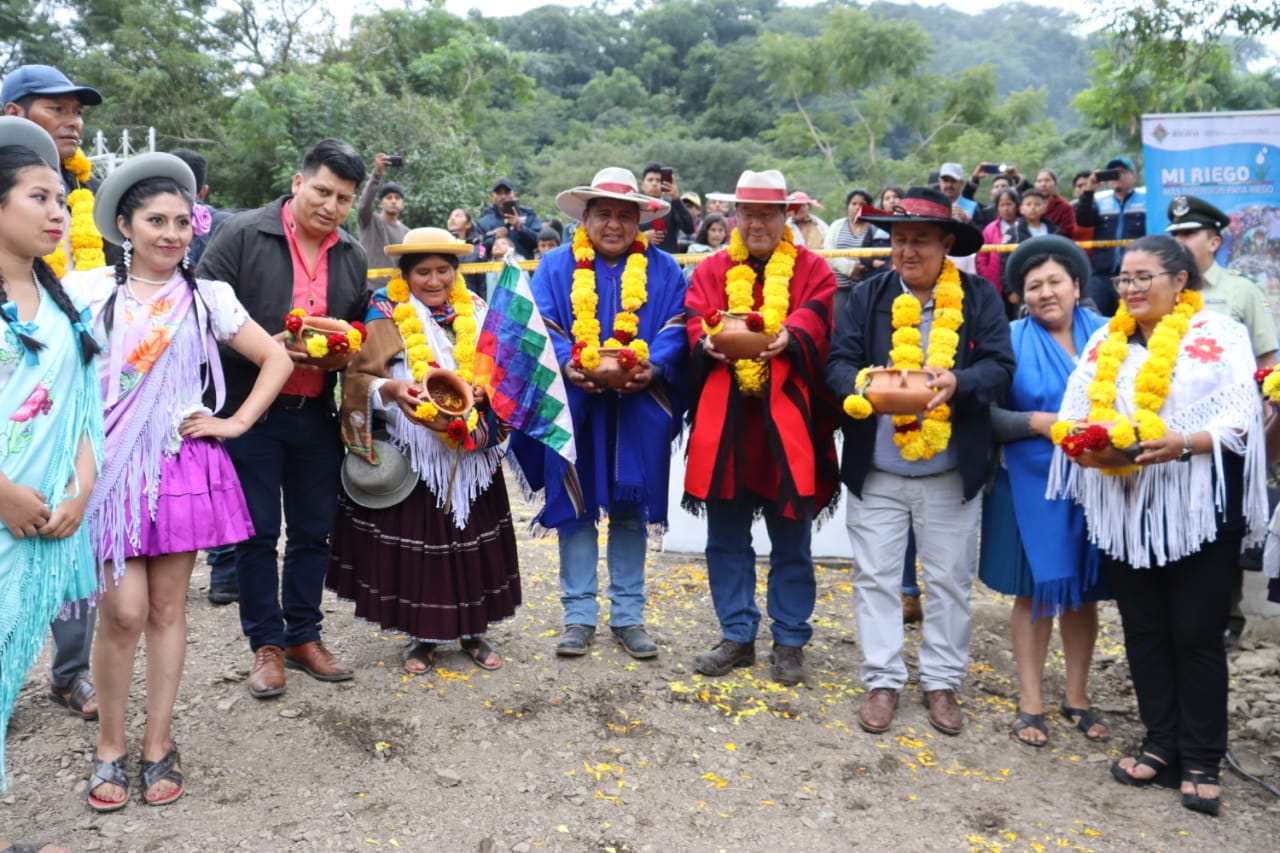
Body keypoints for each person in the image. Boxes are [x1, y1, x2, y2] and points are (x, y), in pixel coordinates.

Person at [68, 153, 291, 811]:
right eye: (154, 221)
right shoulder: (88, 292)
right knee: (124, 611)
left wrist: (234, 420)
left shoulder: (206, 297)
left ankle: (158, 741)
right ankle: (110, 743)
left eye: (179, 221)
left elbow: (275, 355)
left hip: (178, 466)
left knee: (167, 609)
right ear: (126, 226)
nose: (170, 233)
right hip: (109, 471)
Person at [1052, 235, 1267, 816]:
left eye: (1144, 276)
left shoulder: (1221, 336)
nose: (1131, 288)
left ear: (1180, 281)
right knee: (1145, 631)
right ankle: (1160, 743)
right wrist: (1086, 446)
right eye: (1124, 278)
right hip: (1126, 509)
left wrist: (1183, 443)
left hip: (1200, 509)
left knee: (1196, 635)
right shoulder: (1106, 341)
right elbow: (1076, 416)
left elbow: (1243, 423)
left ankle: (1201, 757)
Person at [825, 186, 1015, 736]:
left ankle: (941, 682)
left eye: (921, 242)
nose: (907, 251)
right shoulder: (867, 296)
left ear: (946, 245)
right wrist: (865, 384)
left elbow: (1001, 367)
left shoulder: (977, 298)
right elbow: (838, 363)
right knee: (876, 579)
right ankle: (883, 680)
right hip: (879, 468)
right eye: (899, 240)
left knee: (950, 581)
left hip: (950, 470)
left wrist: (958, 383)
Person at [198, 139, 369, 698]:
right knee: (256, 534)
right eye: (322, 191)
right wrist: (264, 348)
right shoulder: (243, 234)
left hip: (314, 412)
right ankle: (265, 646)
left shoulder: (351, 254)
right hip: (251, 412)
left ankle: (304, 635)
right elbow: (196, 322)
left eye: (343, 198)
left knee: (314, 532)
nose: (331, 206)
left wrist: (345, 355)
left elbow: (360, 336)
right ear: (298, 183)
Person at [508, 167, 688, 659]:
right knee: (577, 506)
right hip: (575, 403)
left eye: (624, 215)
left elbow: (678, 325)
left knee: (630, 508)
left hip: (639, 404)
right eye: (603, 214)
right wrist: (570, 364)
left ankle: (628, 615)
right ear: (584, 218)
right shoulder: (556, 266)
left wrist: (651, 366)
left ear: (641, 220)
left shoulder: (665, 269)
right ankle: (579, 615)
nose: (613, 224)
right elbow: (541, 323)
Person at [328, 227, 520, 673]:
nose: (434, 281)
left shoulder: (477, 310)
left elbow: (503, 369)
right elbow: (357, 379)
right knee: (424, 546)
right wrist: (392, 389)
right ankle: (422, 638)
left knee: (473, 543)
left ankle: (474, 632)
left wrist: (483, 389)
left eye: (443, 271)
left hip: (470, 447)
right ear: (405, 275)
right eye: (422, 272)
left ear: (456, 272)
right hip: (415, 449)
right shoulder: (383, 313)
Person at [685, 170, 839, 686]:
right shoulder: (712, 269)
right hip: (727, 424)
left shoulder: (812, 268)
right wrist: (704, 340)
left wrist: (791, 334)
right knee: (725, 536)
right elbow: (694, 316)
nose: (756, 223)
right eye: (747, 213)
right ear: (735, 216)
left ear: (785, 216)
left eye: (767, 213)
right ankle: (736, 635)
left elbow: (820, 315)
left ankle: (790, 640)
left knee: (791, 535)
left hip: (789, 427)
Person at [2, 63, 113, 720]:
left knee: (73, 564)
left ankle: (70, 672)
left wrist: (83, 476)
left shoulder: (86, 196)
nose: (73, 121)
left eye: (79, 110)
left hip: (66, 433)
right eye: (56, 108)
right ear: (15, 114)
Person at [977, 236, 1111, 747]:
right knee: (1034, 594)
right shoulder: (1007, 340)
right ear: (1019, 296)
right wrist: (1039, 423)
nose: (1045, 293)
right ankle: (1030, 700)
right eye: (1033, 286)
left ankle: (1077, 696)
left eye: (1056, 281)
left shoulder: (1110, 337)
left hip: (1099, 481)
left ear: (1078, 285)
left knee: (1084, 595)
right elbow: (981, 415)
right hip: (1027, 485)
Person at [1166, 194, 1278, 651]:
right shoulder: (1162, 290)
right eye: (1173, 235)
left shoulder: (1241, 291)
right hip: (1171, 429)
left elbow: (1268, 364)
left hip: (1229, 432)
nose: (1179, 241)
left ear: (1214, 240)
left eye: (1188, 234)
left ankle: (1224, 617)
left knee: (1224, 518)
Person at [1083, 156, 1146, 316]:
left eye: (1122, 172)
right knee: (1094, 316)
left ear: (1134, 176)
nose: (1117, 176)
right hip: (1102, 274)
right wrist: (1090, 189)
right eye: (1112, 173)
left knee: (1133, 319)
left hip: (1134, 274)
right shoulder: (1099, 200)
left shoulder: (1147, 200)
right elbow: (1083, 220)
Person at [357, 154, 409, 290]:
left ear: (402, 204)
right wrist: (376, 174)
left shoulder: (408, 233)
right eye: (389, 197)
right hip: (368, 288)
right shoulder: (369, 220)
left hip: (396, 291)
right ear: (380, 203)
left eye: (397, 198)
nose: (393, 200)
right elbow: (363, 205)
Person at [823, 188, 875, 319]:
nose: (857, 207)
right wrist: (850, 268)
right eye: (854, 204)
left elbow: (879, 253)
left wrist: (864, 266)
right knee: (839, 324)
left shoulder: (874, 227)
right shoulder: (837, 225)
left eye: (862, 204)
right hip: (840, 287)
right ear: (848, 206)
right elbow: (828, 251)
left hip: (867, 286)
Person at [639, 163, 697, 254]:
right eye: (650, 180)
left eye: (658, 180)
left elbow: (689, 229)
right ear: (642, 185)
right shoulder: (635, 207)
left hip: (669, 260)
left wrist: (676, 198)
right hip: (640, 260)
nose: (654, 183)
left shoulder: (671, 206)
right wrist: (641, 237)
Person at [477, 177, 540, 258]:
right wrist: (494, 239)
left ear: (514, 195)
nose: (503, 196)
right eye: (499, 193)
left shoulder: (529, 215)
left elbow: (541, 242)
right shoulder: (484, 222)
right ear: (492, 196)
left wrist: (520, 229)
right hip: (494, 269)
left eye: (507, 192)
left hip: (525, 268)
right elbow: (479, 251)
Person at [976, 187, 1020, 294]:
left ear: (1017, 206)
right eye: (1002, 205)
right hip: (994, 282)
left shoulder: (1022, 227)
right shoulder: (989, 229)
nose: (1006, 209)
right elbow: (981, 257)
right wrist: (987, 275)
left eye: (1009, 204)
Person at [446, 206, 486, 296]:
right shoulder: (441, 247)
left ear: (468, 224)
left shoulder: (479, 248)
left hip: (471, 298)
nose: (452, 218)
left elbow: (483, 283)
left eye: (458, 216)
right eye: (450, 217)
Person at [1032, 169, 1077, 239]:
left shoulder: (1065, 207)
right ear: (1035, 185)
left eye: (1047, 180)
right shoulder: (1029, 206)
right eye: (1039, 181)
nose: (1043, 184)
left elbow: (1066, 232)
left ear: (1056, 184)